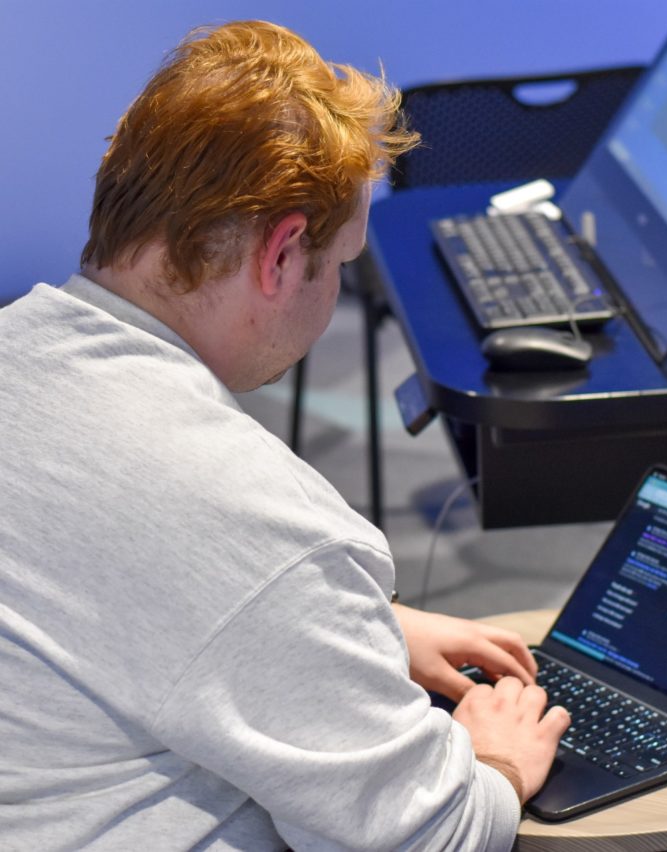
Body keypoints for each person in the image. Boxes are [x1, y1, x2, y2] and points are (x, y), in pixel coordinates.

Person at [0, 20, 569, 851]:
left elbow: (96, 574)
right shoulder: (259, 524)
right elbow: (429, 837)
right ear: (283, 252)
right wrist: (496, 763)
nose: (335, 288)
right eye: (341, 263)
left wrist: (352, 629)